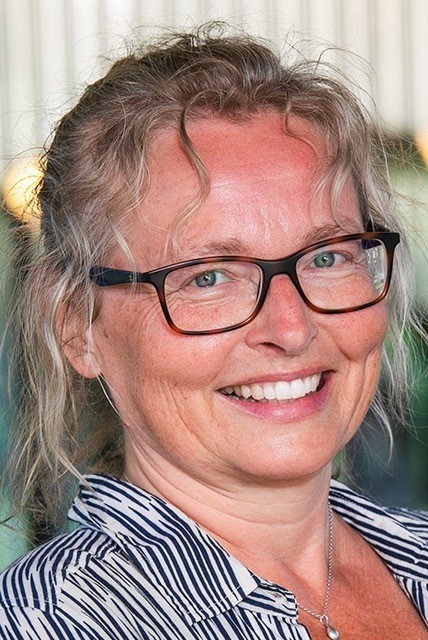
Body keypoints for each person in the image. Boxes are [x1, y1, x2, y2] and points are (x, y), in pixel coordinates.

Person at [0, 23, 427, 639]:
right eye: (208, 277)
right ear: (78, 325)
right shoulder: (54, 623)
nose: (291, 328)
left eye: (328, 257)